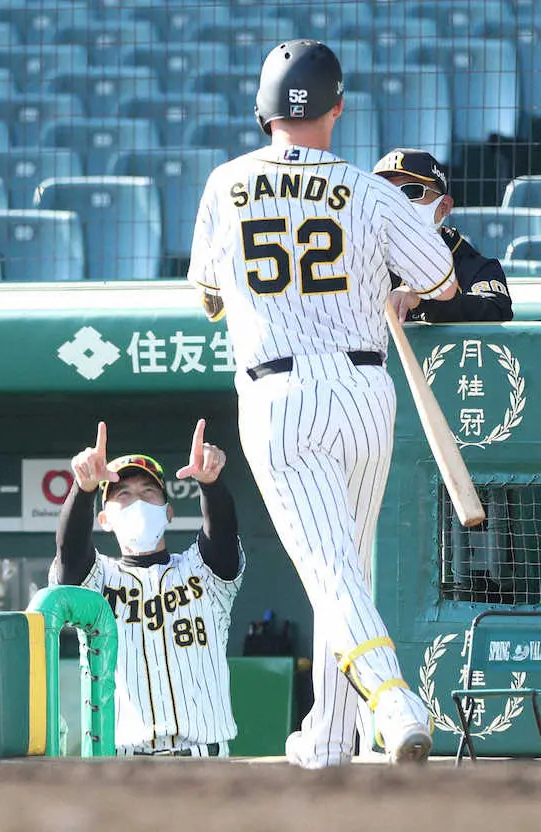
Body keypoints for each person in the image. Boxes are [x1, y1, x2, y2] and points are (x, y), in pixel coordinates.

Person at [187, 40, 459, 767]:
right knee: (343, 567)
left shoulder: (226, 183)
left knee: (331, 568)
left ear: (262, 112)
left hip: (279, 393)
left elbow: (210, 296)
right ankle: (331, 738)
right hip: (365, 390)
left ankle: (393, 698)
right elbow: (439, 278)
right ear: (337, 108)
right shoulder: (370, 191)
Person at [48, 420, 243, 757]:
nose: (136, 501)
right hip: (122, 762)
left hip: (204, 759)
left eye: (148, 492)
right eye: (123, 494)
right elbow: (70, 553)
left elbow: (223, 537)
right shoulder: (97, 580)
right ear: (104, 520)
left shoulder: (201, 571)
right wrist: (83, 489)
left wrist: (211, 485)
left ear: (168, 513)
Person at [373, 147, 513, 323]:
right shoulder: (359, 260)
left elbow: (496, 310)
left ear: (444, 206)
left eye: (411, 191)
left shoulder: (476, 267)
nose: (396, 202)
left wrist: (422, 299)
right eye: (384, 194)